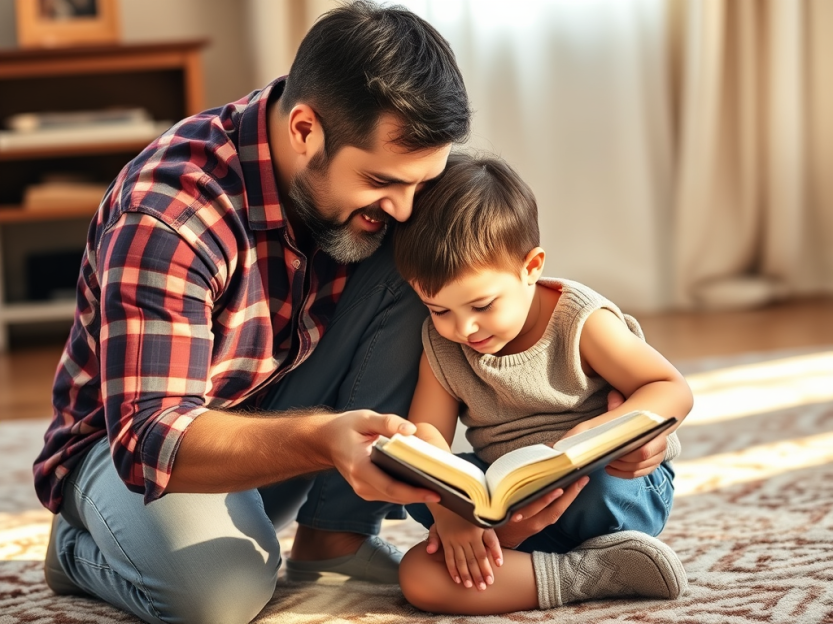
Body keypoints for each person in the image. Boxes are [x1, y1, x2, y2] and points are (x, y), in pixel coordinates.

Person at [33, 3, 473, 623]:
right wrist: (323, 439)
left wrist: (592, 368)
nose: (402, 208)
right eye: (381, 181)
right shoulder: (170, 213)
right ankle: (77, 550)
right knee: (217, 598)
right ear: (304, 130)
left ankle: (334, 543)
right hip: (130, 446)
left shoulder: (377, 189)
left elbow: (492, 277)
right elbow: (149, 437)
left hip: (267, 410)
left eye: (419, 184)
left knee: (433, 256)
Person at [392, 152, 694, 615]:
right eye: (439, 310)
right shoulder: (443, 344)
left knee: (601, 483)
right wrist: (452, 513)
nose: (464, 328)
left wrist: (599, 434)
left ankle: (586, 548)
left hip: (605, 493)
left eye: (482, 305)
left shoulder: (580, 321)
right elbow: (426, 435)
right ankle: (590, 572)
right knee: (417, 570)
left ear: (531, 267)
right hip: (511, 504)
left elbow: (670, 388)